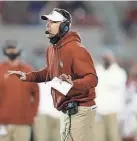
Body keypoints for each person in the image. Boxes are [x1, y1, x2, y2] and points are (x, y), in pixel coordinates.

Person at [8, 8, 98, 141]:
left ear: (64, 26)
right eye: (47, 22)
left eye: (53, 22)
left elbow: (92, 79)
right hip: (67, 110)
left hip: (80, 109)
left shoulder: (76, 49)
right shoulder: (51, 50)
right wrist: (28, 76)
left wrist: (73, 84)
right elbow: (49, 73)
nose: (48, 25)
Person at [0, 40, 39, 141]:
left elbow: (36, 94)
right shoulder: (0, 70)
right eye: (9, 49)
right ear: (5, 51)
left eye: (14, 48)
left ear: (19, 50)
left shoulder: (28, 70)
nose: (12, 51)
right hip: (3, 122)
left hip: (23, 122)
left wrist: (33, 114)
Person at [94, 50, 127, 141]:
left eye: (108, 57)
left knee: (113, 136)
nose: (106, 59)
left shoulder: (119, 72)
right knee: (98, 137)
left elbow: (112, 84)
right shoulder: (97, 71)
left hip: (113, 111)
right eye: (104, 57)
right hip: (99, 111)